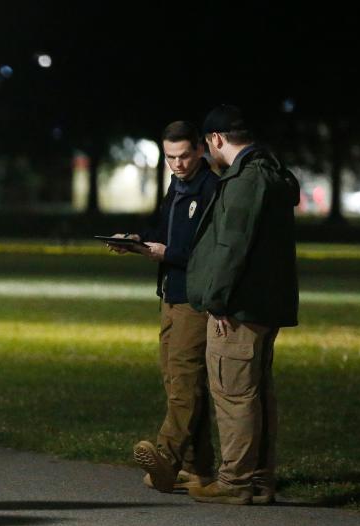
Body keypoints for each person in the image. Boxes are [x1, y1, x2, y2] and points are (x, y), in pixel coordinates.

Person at [148, 105, 299, 505]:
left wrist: (215, 299)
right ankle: (259, 481)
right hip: (266, 301)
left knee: (233, 394)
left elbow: (231, 246)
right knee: (255, 393)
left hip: (242, 305)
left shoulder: (244, 180)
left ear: (213, 141)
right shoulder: (269, 171)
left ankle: (235, 481)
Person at [111, 121, 219, 493]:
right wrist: (138, 242)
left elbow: (209, 252)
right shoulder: (177, 186)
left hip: (195, 298)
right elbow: (163, 231)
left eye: (185, 155)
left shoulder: (211, 189)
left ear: (201, 150)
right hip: (171, 295)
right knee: (176, 380)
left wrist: (166, 253)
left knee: (185, 383)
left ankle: (167, 459)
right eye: (171, 157)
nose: (178, 164)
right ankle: (199, 466)